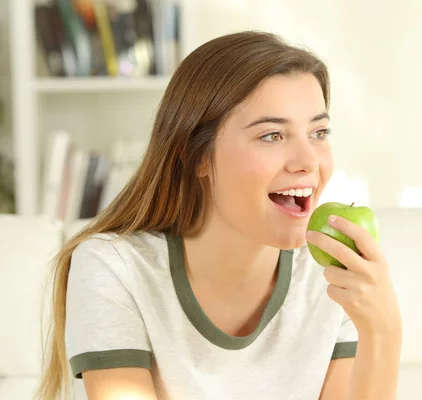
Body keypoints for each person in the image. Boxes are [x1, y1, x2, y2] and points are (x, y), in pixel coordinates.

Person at [35, 31, 402, 400]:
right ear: (197, 156)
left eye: (319, 132)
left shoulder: (332, 278)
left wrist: (383, 330)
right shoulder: (116, 268)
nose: (309, 162)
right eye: (272, 135)